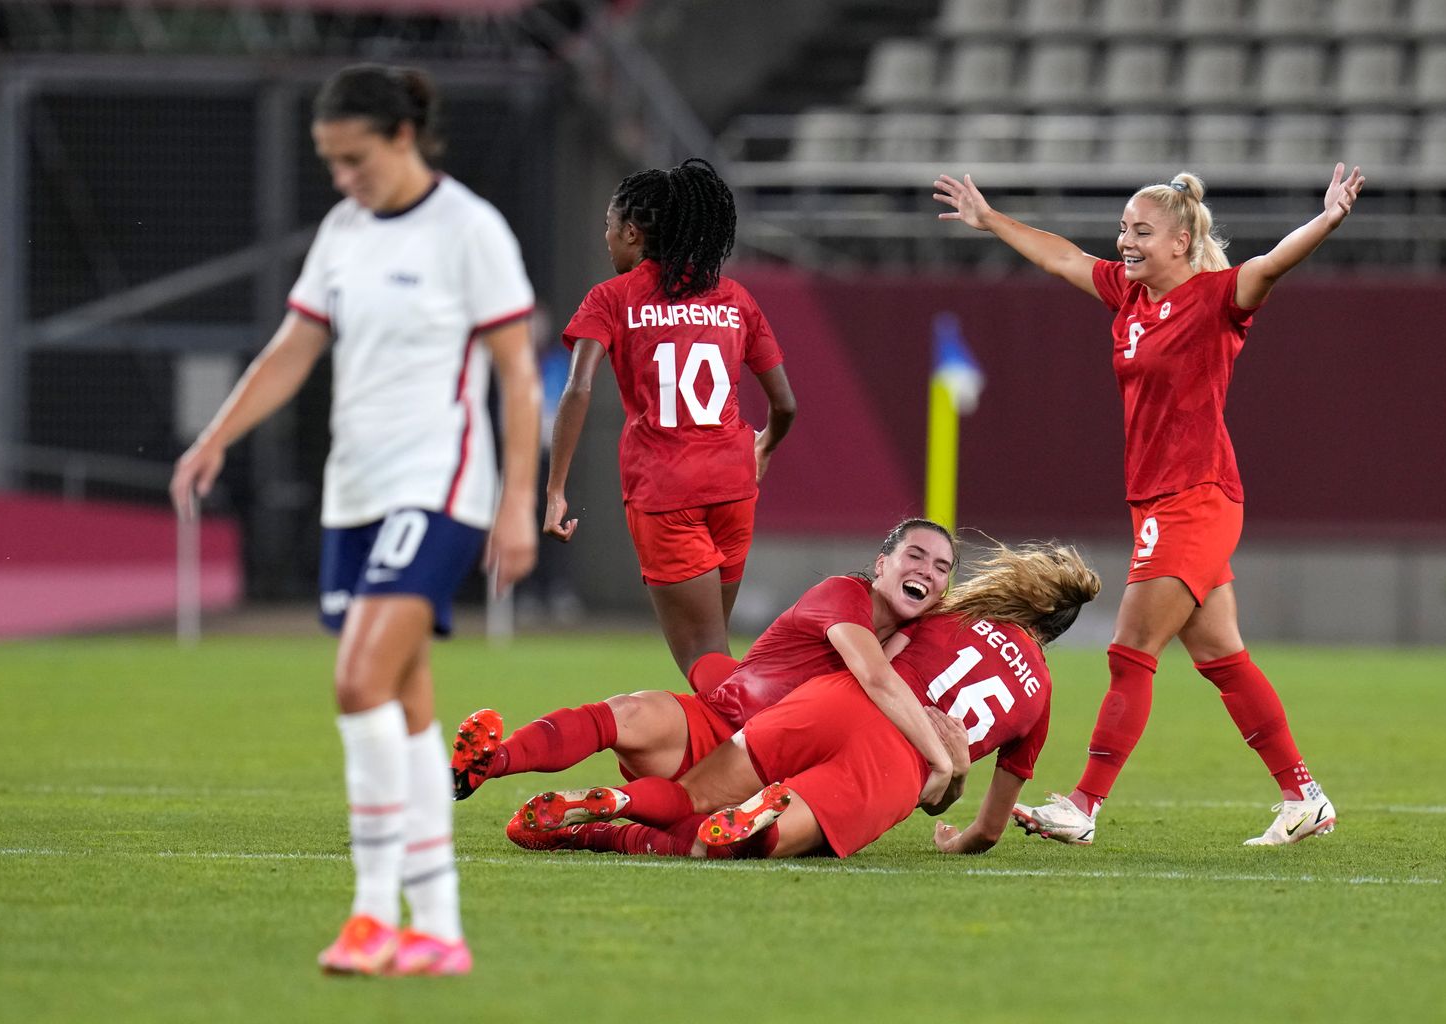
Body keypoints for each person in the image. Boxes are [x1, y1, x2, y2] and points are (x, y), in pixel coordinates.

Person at [169, 64, 541, 976]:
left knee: (356, 678)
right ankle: (439, 929)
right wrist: (217, 434)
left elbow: (516, 374)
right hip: (355, 493)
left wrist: (519, 499)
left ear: (403, 138)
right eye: (330, 163)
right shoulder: (342, 231)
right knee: (406, 704)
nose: (343, 179)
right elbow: (295, 347)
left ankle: (373, 913)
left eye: (355, 159)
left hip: (437, 485)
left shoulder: (470, 229)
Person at [932, 164, 1365, 846]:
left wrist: (1329, 218)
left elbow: (1272, 264)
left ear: (1182, 243)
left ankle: (1083, 804)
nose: (1125, 242)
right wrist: (991, 220)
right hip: (1161, 501)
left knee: (1131, 648)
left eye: (1141, 231)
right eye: (1124, 229)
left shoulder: (1217, 298)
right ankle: (1304, 797)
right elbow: (1065, 257)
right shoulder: (1127, 297)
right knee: (1223, 658)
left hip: (1197, 498)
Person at [508, 541, 1101, 861]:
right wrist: (954, 815)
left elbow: (884, 660)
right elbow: (989, 831)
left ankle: (615, 801)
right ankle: (608, 832)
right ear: (1054, 632)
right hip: (894, 765)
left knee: (691, 795)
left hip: (833, 701)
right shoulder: (1041, 697)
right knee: (743, 841)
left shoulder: (948, 615)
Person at [453, 518, 962, 811]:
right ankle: (488, 764)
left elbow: (927, 794)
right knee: (623, 713)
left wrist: (955, 774)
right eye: (915, 556)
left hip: (772, 771)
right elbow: (875, 678)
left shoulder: (919, 644)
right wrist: (941, 762)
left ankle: (591, 815)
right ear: (882, 564)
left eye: (941, 567)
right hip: (716, 725)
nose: (927, 571)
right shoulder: (843, 595)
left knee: (683, 811)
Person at [544, 157, 797, 677]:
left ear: (632, 233)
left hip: (666, 492)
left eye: (609, 228)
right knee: (715, 652)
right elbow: (786, 405)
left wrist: (555, 491)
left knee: (705, 662)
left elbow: (579, 387)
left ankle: (774, 748)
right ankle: (724, 754)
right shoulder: (733, 298)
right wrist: (765, 446)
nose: (606, 239)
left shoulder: (611, 298)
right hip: (733, 486)